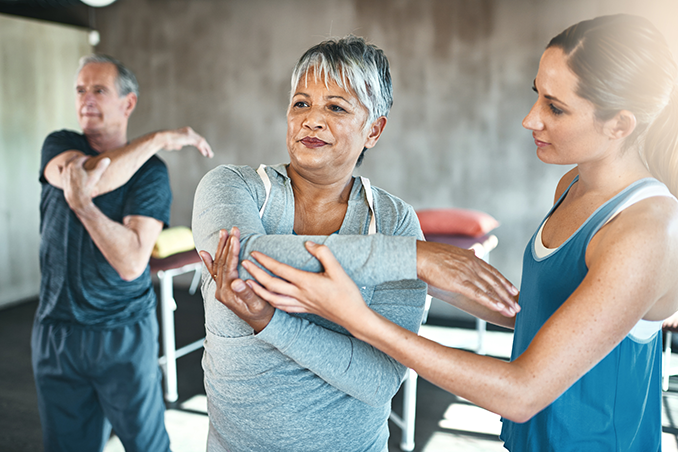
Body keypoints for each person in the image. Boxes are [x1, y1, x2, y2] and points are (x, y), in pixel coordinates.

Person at [224, 14, 678, 451]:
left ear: (619, 125)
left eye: (555, 107)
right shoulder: (572, 185)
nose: (530, 118)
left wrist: (358, 316)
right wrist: (432, 276)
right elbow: (557, 317)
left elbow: (521, 393)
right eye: (536, 94)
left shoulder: (646, 231)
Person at [193, 35, 517, 452]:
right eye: (301, 103)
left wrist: (271, 322)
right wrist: (411, 258)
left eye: (336, 106)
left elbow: (379, 380)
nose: (312, 120)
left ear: (374, 129)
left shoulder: (393, 220)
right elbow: (242, 259)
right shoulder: (232, 186)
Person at [33, 54, 213, 452]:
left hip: (121, 334)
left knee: (145, 445)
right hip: (57, 331)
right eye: (81, 90)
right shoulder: (60, 144)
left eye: (99, 90)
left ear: (128, 103)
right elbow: (86, 179)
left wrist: (82, 206)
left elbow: (132, 263)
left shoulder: (151, 174)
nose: (86, 99)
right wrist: (158, 139)